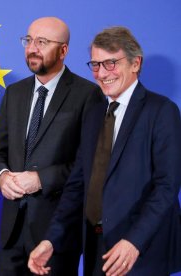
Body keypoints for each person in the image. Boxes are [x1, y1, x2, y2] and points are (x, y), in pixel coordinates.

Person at [28, 26, 181, 276]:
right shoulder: (94, 111)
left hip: (141, 253)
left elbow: (167, 186)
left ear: (135, 64)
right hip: (96, 249)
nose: (101, 73)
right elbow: (78, 184)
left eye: (111, 63)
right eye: (96, 65)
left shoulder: (161, 111)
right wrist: (51, 240)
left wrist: (134, 242)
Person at [0, 17, 104, 276]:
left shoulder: (88, 95)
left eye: (42, 42)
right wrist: (2, 176)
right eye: (28, 40)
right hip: (11, 233)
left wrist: (41, 179)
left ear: (63, 50)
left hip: (55, 234)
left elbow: (90, 164)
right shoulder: (14, 93)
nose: (32, 48)